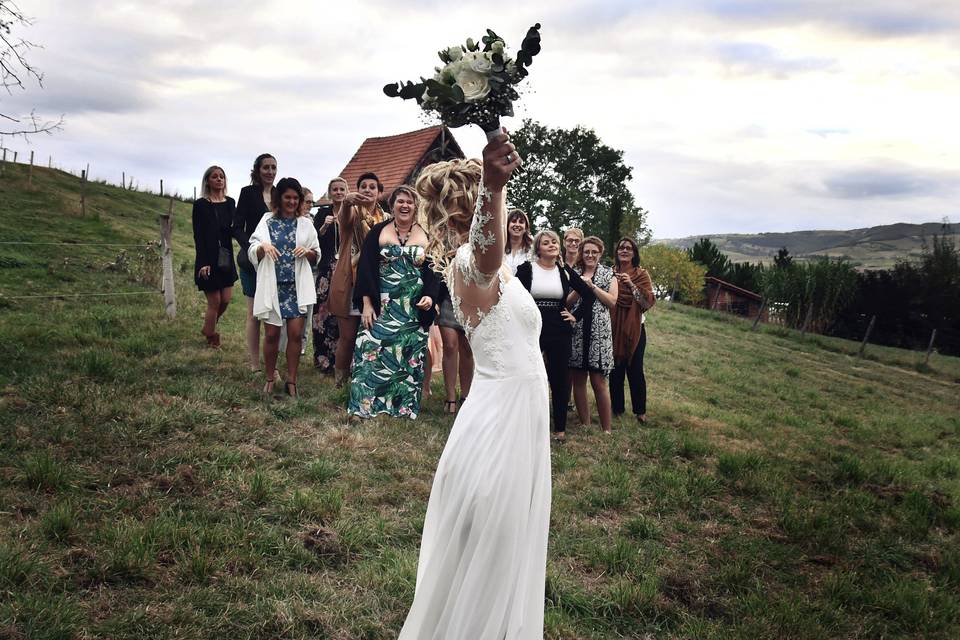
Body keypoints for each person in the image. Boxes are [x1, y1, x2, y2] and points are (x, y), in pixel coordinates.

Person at [398, 132, 549, 639]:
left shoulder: (501, 266)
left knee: (505, 540)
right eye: (482, 193)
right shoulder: (469, 263)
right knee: (495, 540)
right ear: (469, 205)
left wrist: (494, 189)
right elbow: (485, 253)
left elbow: (494, 252)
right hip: (500, 420)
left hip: (516, 413)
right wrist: (495, 187)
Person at [348, 186, 437, 419]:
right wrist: (367, 304)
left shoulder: (427, 234)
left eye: (409, 202)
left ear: (415, 207)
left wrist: (431, 296)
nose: (405, 206)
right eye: (400, 202)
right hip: (383, 303)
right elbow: (366, 268)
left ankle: (402, 407)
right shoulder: (378, 231)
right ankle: (365, 405)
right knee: (372, 348)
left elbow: (436, 270)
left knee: (405, 354)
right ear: (392, 205)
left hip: (413, 307)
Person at [516, 229, 592, 440]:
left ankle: (559, 428)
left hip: (559, 330)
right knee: (528, 375)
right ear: (538, 248)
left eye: (555, 242)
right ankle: (526, 421)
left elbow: (588, 295)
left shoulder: (564, 271)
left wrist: (575, 316)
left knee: (560, 379)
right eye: (546, 242)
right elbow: (512, 296)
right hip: (532, 328)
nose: (552, 245)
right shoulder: (526, 269)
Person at [247, 177, 319, 398]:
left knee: (296, 334)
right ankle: (270, 377)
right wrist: (263, 246)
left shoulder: (306, 224)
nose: (292, 202)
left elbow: (316, 254)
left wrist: (307, 253)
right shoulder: (267, 221)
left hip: (296, 289)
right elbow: (252, 248)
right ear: (280, 198)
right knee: (271, 335)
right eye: (287, 197)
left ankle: (292, 380)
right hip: (273, 287)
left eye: (295, 198)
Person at [415, 169, 478, 414]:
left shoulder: (474, 228)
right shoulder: (440, 231)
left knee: (468, 348)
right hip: (448, 296)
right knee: (450, 345)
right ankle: (450, 396)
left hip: (472, 296)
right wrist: (436, 296)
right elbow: (433, 266)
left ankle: (467, 396)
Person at [329, 172, 385, 387]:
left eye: (373, 187)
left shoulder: (387, 219)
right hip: (349, 281)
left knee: (372, 336)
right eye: (364, 186)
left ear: (379, 193)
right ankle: (340, 383)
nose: (368, 190)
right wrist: (345, 203)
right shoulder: (352, 214)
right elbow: (343, 220)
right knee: (348, 337)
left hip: (374, 283)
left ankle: (367, 381)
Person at [568, 236, 618, 433]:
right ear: (582, 253)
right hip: (578, 330)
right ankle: (585, 423)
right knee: (578, 379)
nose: (589, 255)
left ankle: (606, 429)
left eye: (593, 252)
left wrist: (593, 286)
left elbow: (612, 301)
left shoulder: (609, 274)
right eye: (586, 252)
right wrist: (580, 287)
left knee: (599, 381)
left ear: (600, 253)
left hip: (599, 333)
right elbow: (568, 302)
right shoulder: (575, 273)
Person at [232, 153, 277, 372]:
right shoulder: (248, 194)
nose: (270, 172)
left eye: (273, 168)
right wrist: (252, 245)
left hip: (276, 262)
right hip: (252, 261)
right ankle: (254, 363)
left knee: (273, 314)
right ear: (257, 170)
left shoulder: (280, 194)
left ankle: (272, 362)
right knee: (253, 313)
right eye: (266, 167)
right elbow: (237, 226)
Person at [192, 166, 237, 348]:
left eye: (221, 177)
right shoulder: (201, 204)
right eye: (215, 177)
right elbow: (198, 235)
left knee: (225, 300)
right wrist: (203, 262)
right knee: (215, 301)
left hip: (226, 258)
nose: (219, 179)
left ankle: (207, 327)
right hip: (208, 258)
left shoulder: (230, 202)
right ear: (208, 181)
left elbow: (236, 228)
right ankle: (212, 337)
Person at [611, 237, 655, 423]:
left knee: (635, 369)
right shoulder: (610, 273)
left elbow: (646, 302)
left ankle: (640, 411)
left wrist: (631, 285)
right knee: (615, 369)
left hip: (636, 329)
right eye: (621, 247)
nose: (624, 250)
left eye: (629, 248)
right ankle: (617, 409)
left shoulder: (641, 274)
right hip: (613, 327)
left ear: (634, 253)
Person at [311, 177, 346, 373]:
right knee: (322, 313)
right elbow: (314, 240)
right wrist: (325, 225)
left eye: (342, 189)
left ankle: (340, 360)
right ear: (330, 192)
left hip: (345, 269)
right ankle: (322, 359)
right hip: (326, 269)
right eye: (335, 189)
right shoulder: (322, 213)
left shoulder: (351, 213)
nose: (339, 192)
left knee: (341, 314)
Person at [503, 208, 533, 274]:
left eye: (521, 222)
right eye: (513, 221)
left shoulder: (533, 250)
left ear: (526, 228)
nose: (517, 225)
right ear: (507, 225)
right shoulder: (499, 248)